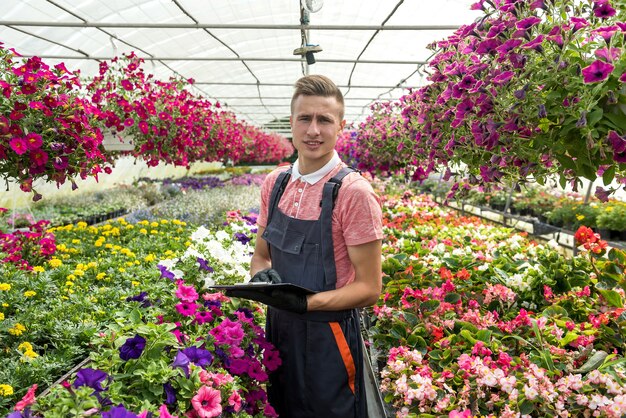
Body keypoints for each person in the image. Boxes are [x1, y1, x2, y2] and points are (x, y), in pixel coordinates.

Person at [227, 74, 383, 418]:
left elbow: (370, 288)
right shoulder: (276, 183)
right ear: (292, 123)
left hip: (329, 337)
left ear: (340, 126)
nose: (313, 130)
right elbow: (261, 254)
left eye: (324, 120)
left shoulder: (353, 193)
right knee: (281, 406)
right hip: (279, 330)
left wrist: (305, 303)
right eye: (304, 118)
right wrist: (262, 280)